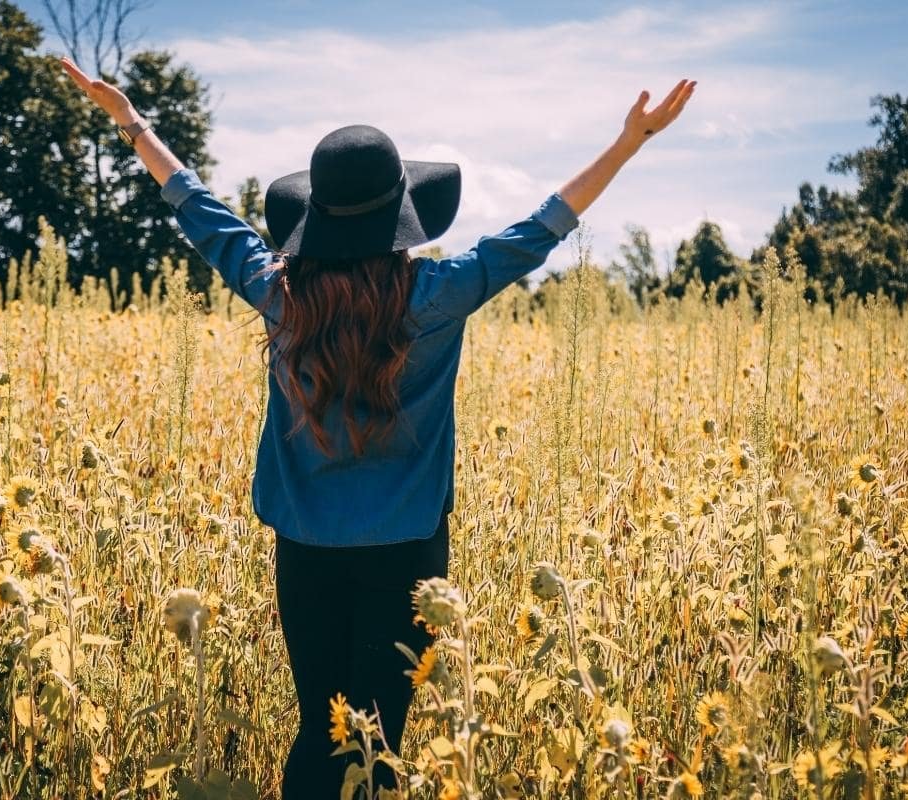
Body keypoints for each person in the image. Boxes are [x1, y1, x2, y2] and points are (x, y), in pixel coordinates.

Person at [61, 55, 694, 798]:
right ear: (402, 218)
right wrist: (630, 142)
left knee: (318, 728)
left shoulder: (279, 294)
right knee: (375, 740)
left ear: (315, 216)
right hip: (408, 557)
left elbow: (202, 213)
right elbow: (544, 226)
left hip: (305, 551)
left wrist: (131, 124)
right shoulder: (439, 293)